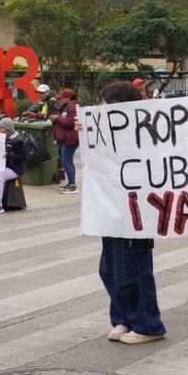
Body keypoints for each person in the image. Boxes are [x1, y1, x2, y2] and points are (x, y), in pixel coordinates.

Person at [93, 80, 166, 344]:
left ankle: (148, 325)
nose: (100, 108)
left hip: (135, 212)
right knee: (110, 270)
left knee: (132, 270)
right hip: (111, 210)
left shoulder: (143, 135)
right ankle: (123, 318)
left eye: (104, 104)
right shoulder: (104, 133)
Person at [50, 89, 79, 194]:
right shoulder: (66, 107)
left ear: (68, 98)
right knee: (67, 161)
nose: (59, 100)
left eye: (61, 98)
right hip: (66, 138)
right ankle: (71, 183)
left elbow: (70, 123)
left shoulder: (72, 107)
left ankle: (72, 185)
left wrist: (56, 118)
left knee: (66, 161)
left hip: (70, 138)